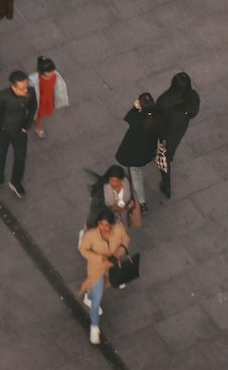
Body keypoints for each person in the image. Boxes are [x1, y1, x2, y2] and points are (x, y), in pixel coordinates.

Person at [78, 208, 129, 348]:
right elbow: (83, 249)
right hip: (97, 268)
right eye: (102, 225)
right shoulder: (91, 235)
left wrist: (117, 254)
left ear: (112, 224)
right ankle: (94, 327)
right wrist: (99, 258)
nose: (105, 228)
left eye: (107, 226)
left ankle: (89, 295)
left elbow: (125, 241)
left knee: (110, 283)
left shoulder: (119, 230)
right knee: (97, 299)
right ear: (98, 224)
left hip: (112, 264)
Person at [0, 69, 37, 200]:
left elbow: (33, 108)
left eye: (26, 86)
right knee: (1, 154)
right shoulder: (3, 96)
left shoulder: (31, 92)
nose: (25, 91)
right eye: (22, 89)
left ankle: (16, 182)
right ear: (13, 87)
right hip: (3, 131)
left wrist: (27, 126)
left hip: (20, 131)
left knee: (21, 158)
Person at [153, 73, 200, 199]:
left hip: (163, 134)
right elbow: (193, 112)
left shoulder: (164, 100)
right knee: (168, 153)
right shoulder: (193, 97)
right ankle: (166, 183)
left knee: (163, 158)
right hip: (178, 132)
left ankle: (166, 184)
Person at [115, 93, 158, 210]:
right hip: (144, 153)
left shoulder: (137, 119)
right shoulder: (157, 118)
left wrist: (135, 108)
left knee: (136, 174)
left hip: (132, 152)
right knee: (136, 172)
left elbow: (127, 117)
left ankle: (141, 203)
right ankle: (142, 203)